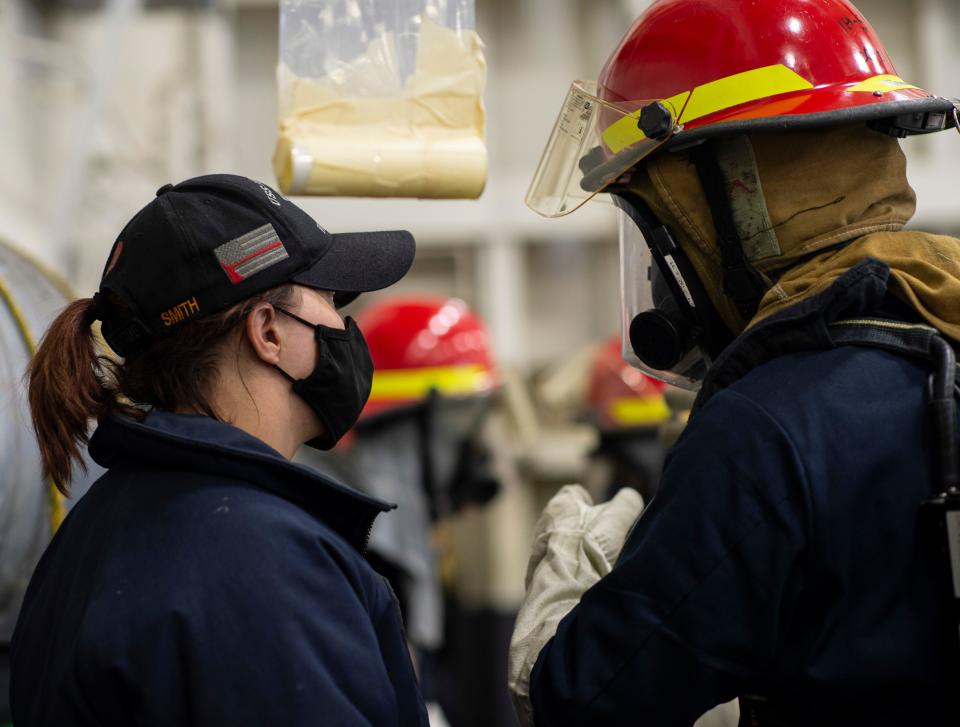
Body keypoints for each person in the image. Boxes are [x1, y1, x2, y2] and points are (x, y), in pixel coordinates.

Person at [509, 1, 960, 725]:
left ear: (728, 194)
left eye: (660, 221)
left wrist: (564, 583)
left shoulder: (763, 428)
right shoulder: (942, 322)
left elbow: (590, 700)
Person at [11, 174, 429, 726]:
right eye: (329, 298)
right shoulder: (264, 562)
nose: (345, 324)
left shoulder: (96, 527)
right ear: (269, 332)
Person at [299, 295, 503, 727]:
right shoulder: (336, 565)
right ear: (402, 435)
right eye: (460, 423)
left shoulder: (397, 559)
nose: (476, 453)